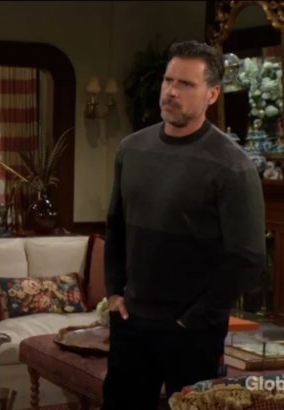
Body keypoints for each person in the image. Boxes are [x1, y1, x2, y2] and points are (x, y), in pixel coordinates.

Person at [102, 40, 265, 409]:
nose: (171, 91)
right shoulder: (131, 149)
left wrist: (194, 318)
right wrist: (114, 292)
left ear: (212, 94)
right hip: (132, 321)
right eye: (168, 80)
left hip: (193, 332)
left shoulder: (232, 165)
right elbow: (115, 226)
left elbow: (248, 258)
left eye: (186, 84)